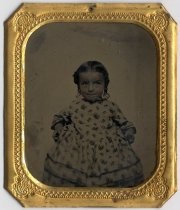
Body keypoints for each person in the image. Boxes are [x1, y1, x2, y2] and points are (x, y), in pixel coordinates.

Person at [42, 61, 144, 187]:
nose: (90, 88)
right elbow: (58, 118)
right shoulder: (75, 105)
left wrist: (128, 134)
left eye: (97, 83)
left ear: (105, 85)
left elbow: (125, 124)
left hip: (107, 152)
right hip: (77, 151)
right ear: (78, 86)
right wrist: (60, 130)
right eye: (85, 83)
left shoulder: (110, 106)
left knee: (109, 183)